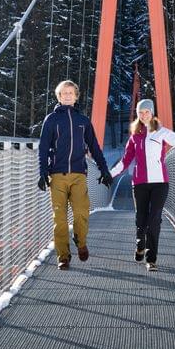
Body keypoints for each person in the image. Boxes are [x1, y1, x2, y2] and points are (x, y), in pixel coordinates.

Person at [38, 80, 112, 270]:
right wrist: (42, 171)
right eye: (64, 93)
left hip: (79, 174)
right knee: (60, 219)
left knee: (81, 213)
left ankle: (80, 241)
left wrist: (104, 169)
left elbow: (94, 148)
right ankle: (63, 256)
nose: (68, 95)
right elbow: (44, 147)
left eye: (71, 92)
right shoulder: (51, 120)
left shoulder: (83, 121)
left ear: (76, 96)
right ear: (59, 96)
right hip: (57, 176)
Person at [110, 98, 175, 272]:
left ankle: (151, 259)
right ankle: (140, 243)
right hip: (139, 183)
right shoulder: (134, 137)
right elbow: (125, 161)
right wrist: (109, 175)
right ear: (138, 115)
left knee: (155, 220)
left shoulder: (162, 133)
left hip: (160, 183)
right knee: (141, 219)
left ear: (152, 113)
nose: (144, 115)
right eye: (140, 112)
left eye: (147, 111)